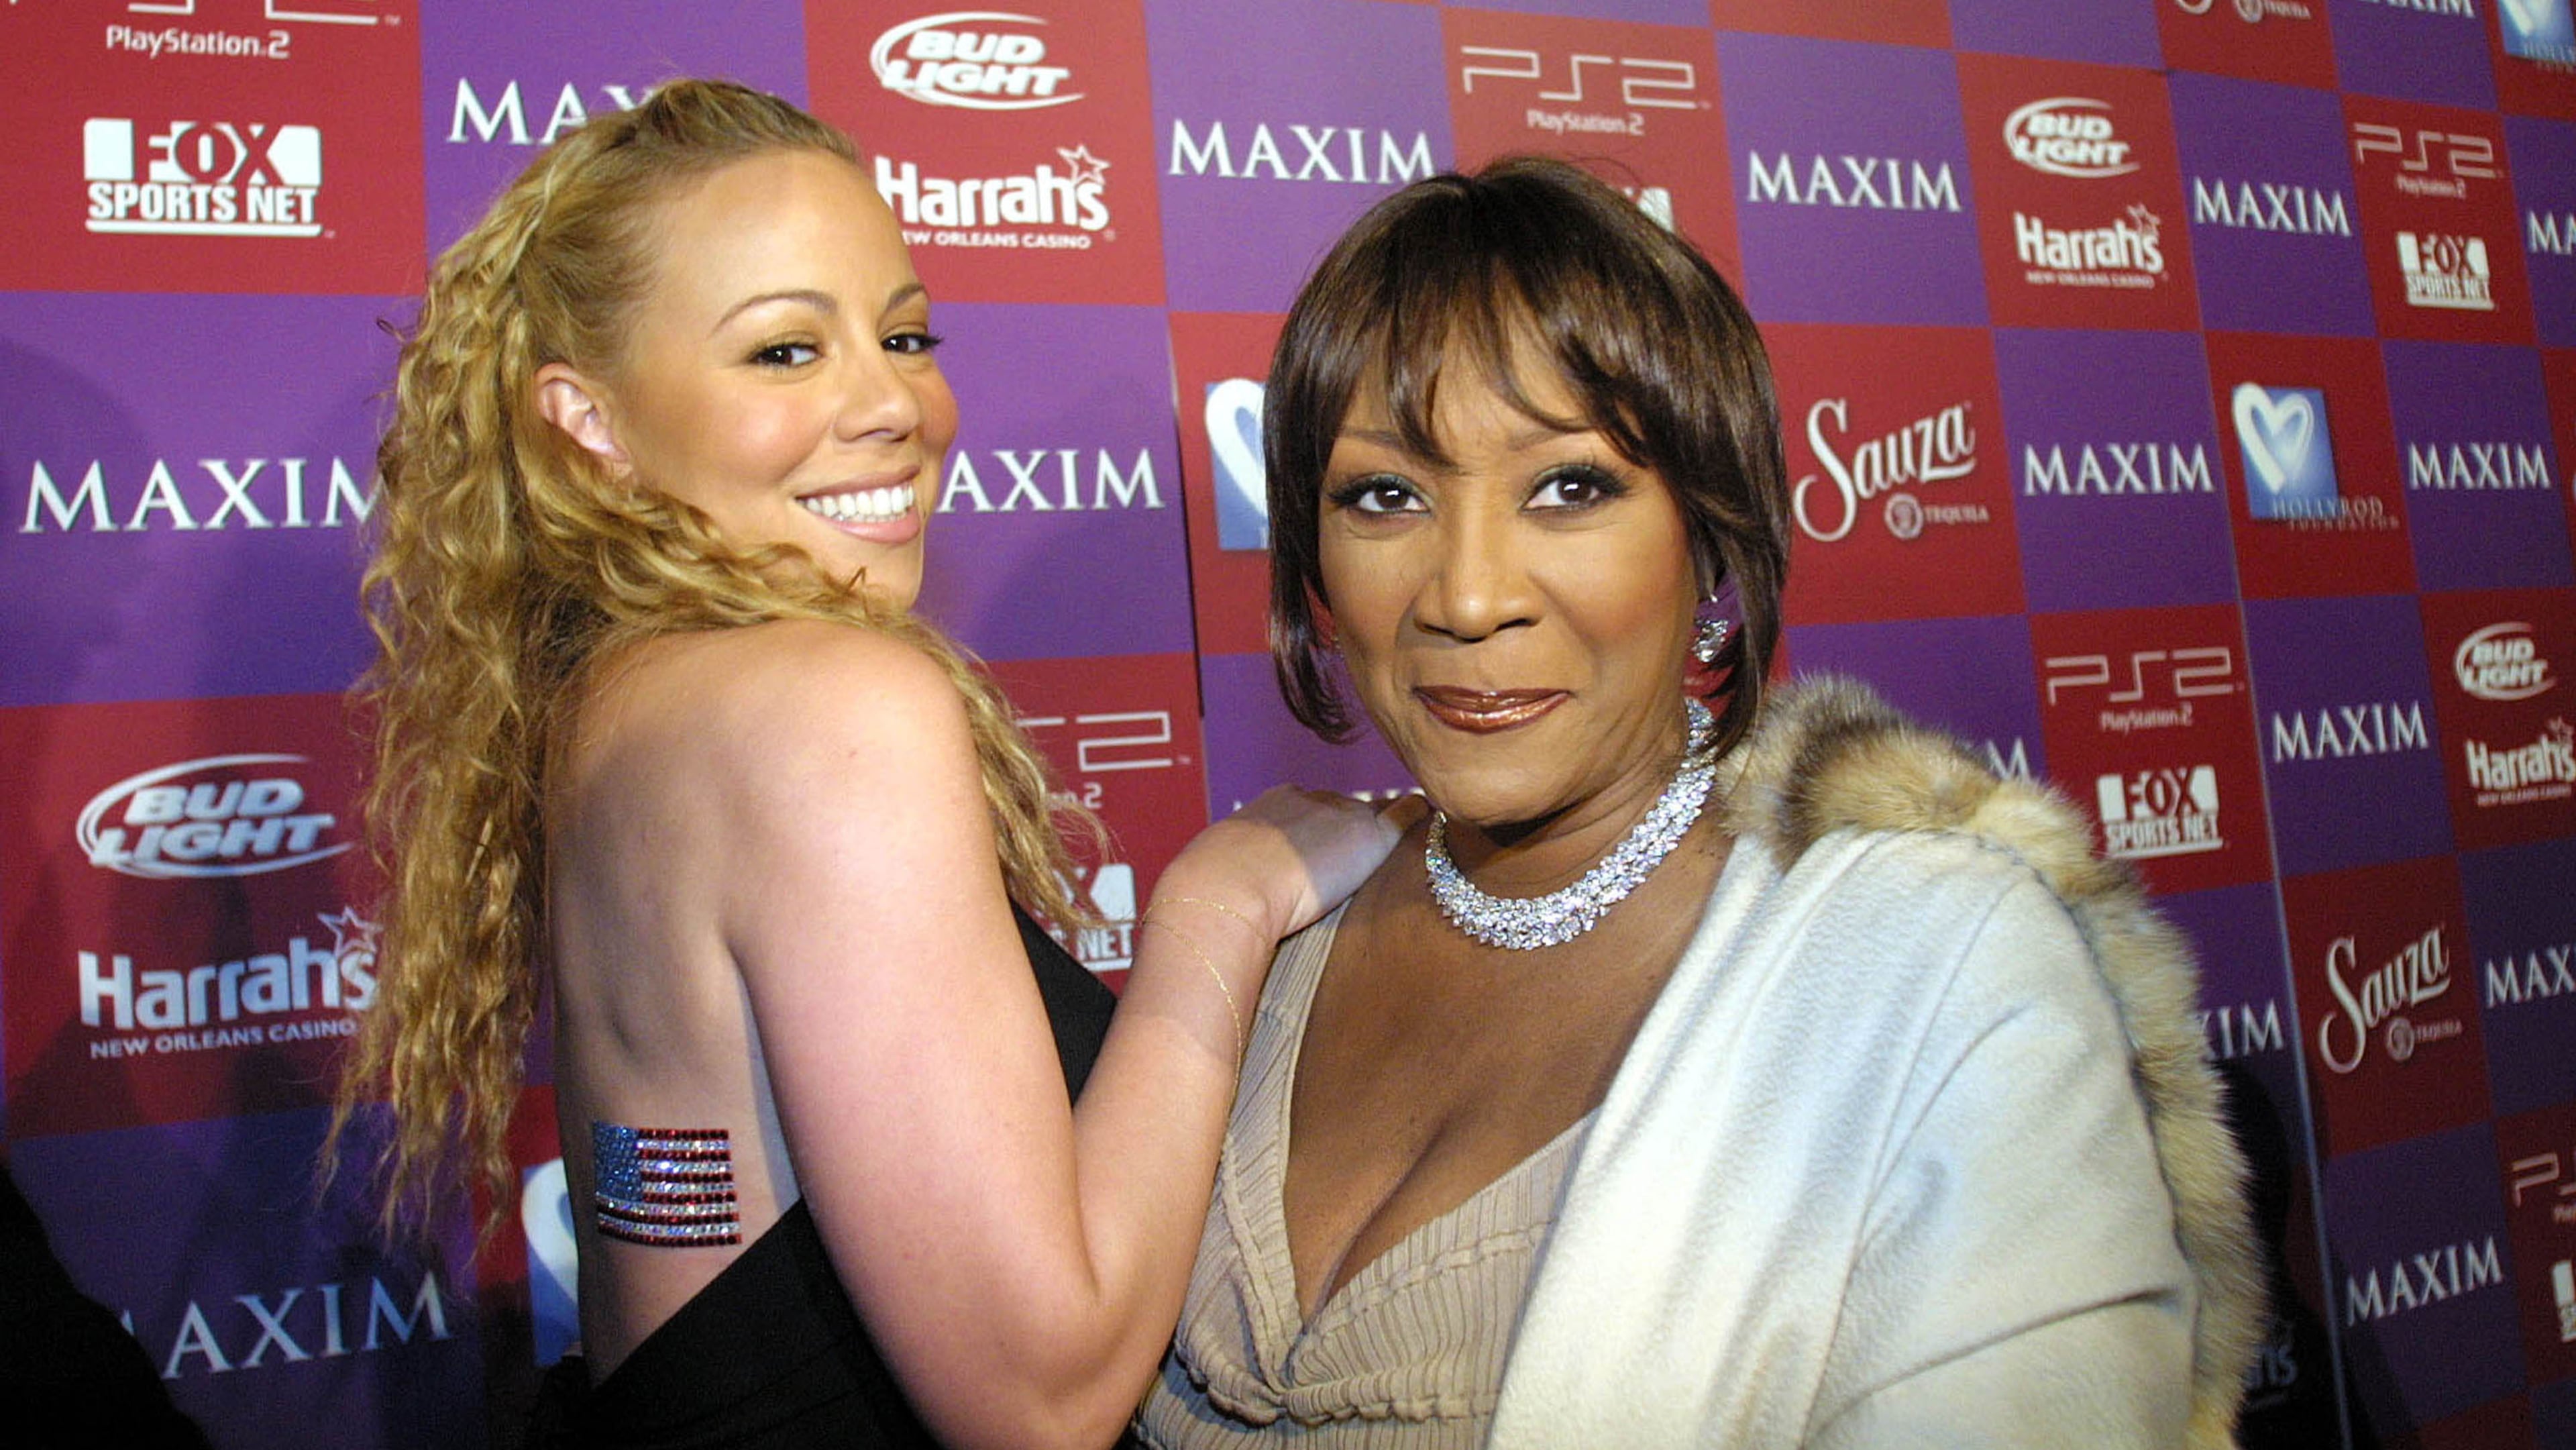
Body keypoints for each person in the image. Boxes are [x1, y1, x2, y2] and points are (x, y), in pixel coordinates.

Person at [325, 80, 1403, 1450]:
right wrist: (1225, 902)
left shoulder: (617, 709)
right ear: (586, 421)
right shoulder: (823, 706)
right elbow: (1043, 1396)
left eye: (905, 333)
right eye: (785, 352)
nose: (894, 401)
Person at [1135, 157, 2262, 1449]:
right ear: (1313, 559)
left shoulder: (1933, 969)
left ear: (1711, 537)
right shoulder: (1276, 939)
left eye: (1569, 485)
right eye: (1386, 495)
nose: (1465, 592)